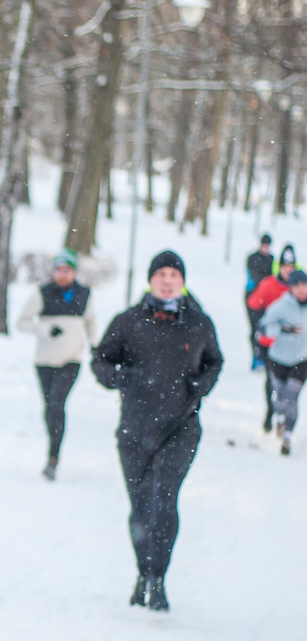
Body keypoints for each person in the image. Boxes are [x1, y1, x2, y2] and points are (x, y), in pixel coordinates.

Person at [92, 250, 223, 612]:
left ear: (183, 281)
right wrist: (124, 378)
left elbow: (216, 360)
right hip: (135, 428)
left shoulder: (198, 323)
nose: (167, 280)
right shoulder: (129, 321)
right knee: (140, 507)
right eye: (161, 273)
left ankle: (159, 578)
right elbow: (100, 360)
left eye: (174, 274)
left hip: (180, 427)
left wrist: (202, 385)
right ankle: (142, 572)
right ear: (151, 279)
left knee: (163, 499)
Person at [16, 247, 98, 481]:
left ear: (74, 272)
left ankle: (53, 458)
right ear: (53, 272)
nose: (62, 275)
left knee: (56, 404)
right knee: (49, 407)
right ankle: (53, 446)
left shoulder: (85, 294)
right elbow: (21, 322)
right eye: (58, 270)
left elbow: (91, 321)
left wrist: (95, 344)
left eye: (67, 270)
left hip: (72, 359)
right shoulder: (42, 293)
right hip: (44, 361)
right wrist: (44, 329)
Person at [257, 269, 307, 455]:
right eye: (297, 286)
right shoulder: (281, 306)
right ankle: (279, 417)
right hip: (278, 359)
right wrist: (282, 329)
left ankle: (287, 436)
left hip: (302, 360)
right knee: (280, 396)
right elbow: (263, 328)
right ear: (291, 288)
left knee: (292, 396)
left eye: (304, 285)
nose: (301, 289)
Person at [248, 247, 295, 432]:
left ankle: (283, 418)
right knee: (271, 381)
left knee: (289, 385)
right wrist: (261, 325)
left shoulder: (298, 287)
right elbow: (253, 304)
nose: (288, 270)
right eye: (284, 266)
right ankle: (270, 411)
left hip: (292, 346)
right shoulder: (269, 284)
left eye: (291, 266)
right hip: (270, 344)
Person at [246, 234, 274, 368]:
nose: (265, 248)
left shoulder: (272, 259)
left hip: (267, 298)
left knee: (266, 326)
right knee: (254, 327)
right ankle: (255, 355)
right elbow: (253, 276)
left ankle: (264, 356)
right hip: (252, 296)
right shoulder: (252, 258)